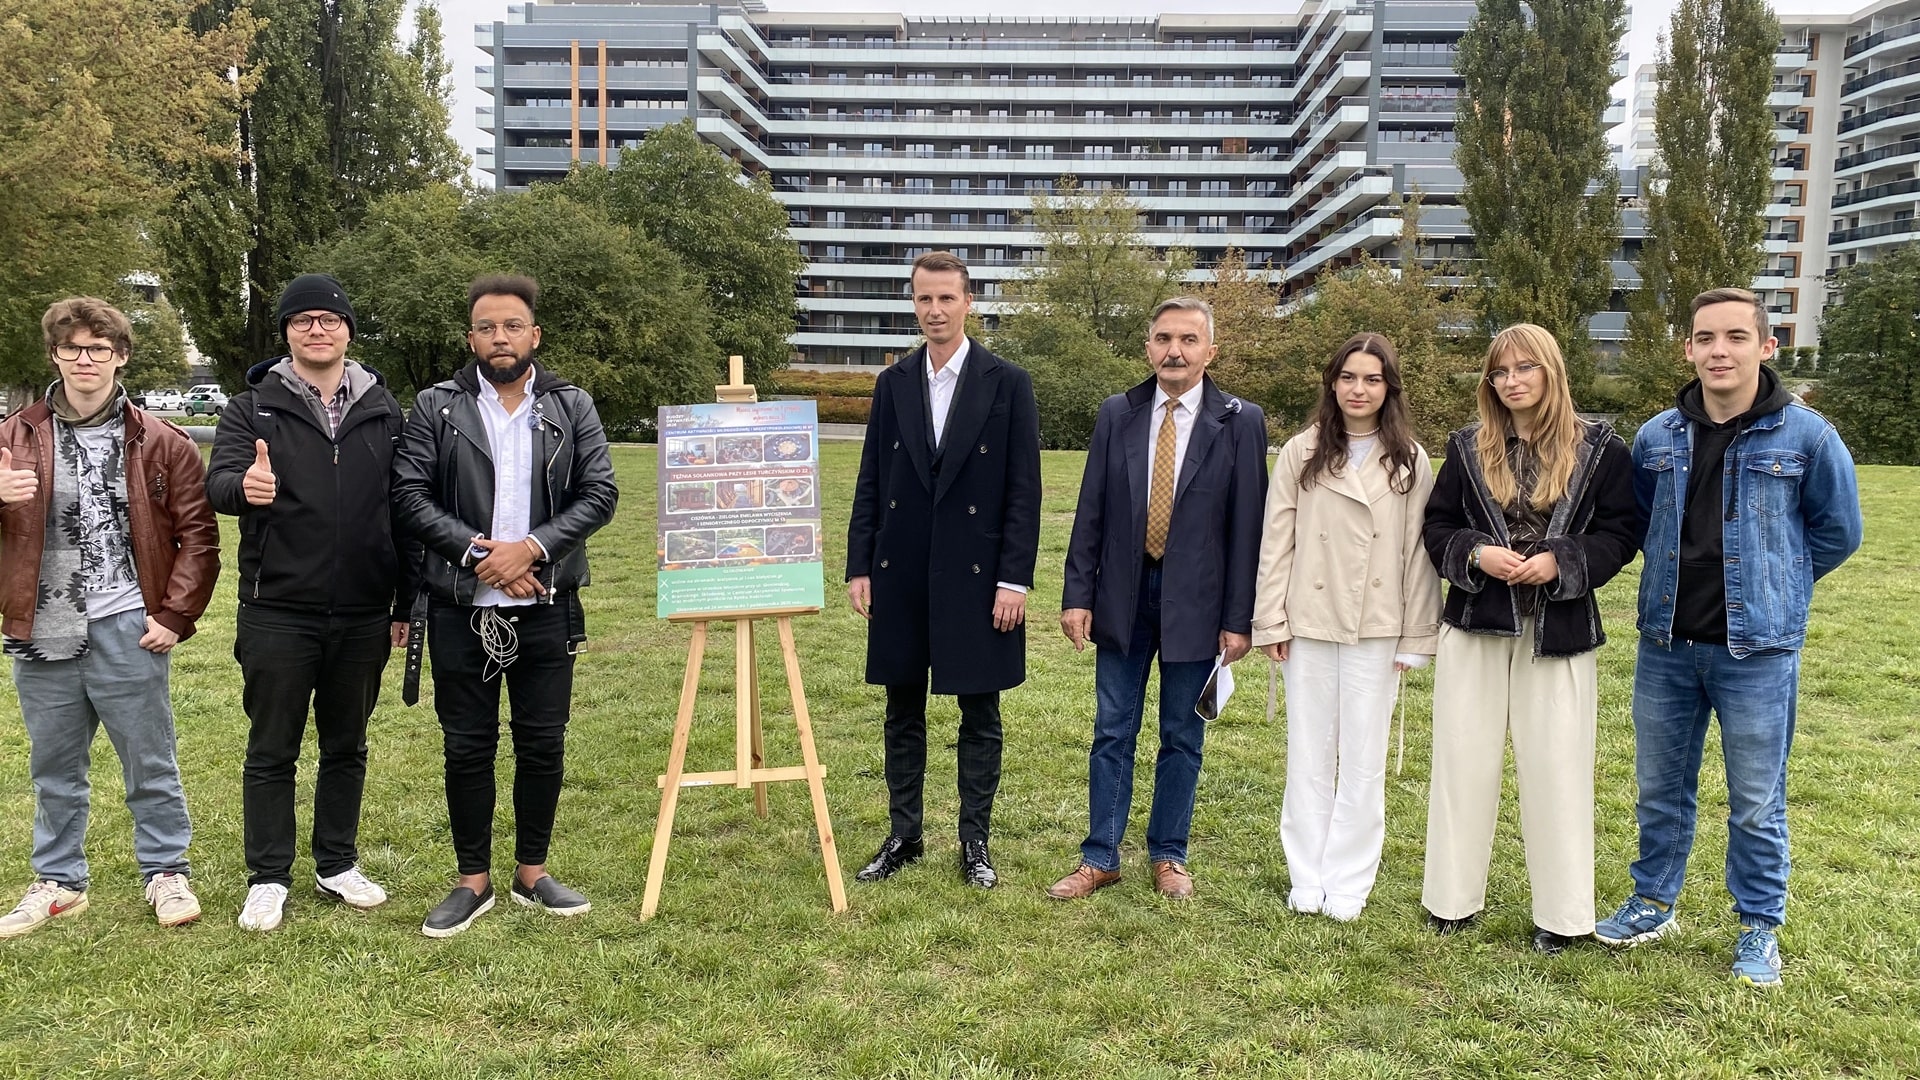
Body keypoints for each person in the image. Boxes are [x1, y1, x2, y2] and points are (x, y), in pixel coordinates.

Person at [1596, 288, 1861, 987]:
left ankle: (1759, 927)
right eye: (1706, 338)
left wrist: (1779, 585)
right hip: (1666, 646)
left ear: (1766, 347)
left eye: (1737, 337)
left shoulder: (1808, 438)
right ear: (1688, 348)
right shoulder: (1656, 438)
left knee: (1755, 800)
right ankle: (1653, 902)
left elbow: (1839, 532)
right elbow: (1643, 522)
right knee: (1659, 789)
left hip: (1758, 654)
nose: (1720, 351)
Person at [393, 273, 618, 938]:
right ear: (471, 338)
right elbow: (408, 495)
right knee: (467, 747)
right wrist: (480, 556)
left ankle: (531, 873)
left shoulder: (571, 406)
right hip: (460, 604)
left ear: (534, 335)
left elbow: (599, 493)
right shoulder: (437, 406)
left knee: (542, 743)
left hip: (547, 602)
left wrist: (532, 551)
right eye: (487, 327)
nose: (500, 337)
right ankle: (473, 881)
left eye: (512, 326)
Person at [0, 297, 219, 938]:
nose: (85, 360)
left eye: (98, 348)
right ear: (55, 355)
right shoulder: (12, 438)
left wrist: (175, 614)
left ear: (120, 356)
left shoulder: (163, 440)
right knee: (54, 767)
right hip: (44, 621)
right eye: (72, 348)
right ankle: (59, 881)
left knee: (150, 762)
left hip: (128, 621)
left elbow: (198, 536)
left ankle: (166, 871)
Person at [1419, 323, 1641, 954]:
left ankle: (1564, 916)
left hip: (1559, 630)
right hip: (1477, 621)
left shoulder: (1601, 450)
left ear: (1551, 370)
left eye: (1524, 368)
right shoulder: (1466, 448)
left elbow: (1622, 534)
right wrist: (1477, 554)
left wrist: (1560, 561)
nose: (1511, 381)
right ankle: (1451, 901)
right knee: (1462, 761)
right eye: (1500, 372)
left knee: (1558, 770)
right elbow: (1437, 526)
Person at [205, 273, 416, 932]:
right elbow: (219, 482)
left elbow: (405, 510)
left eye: (329, 319)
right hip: (278, 608)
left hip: (363, 610)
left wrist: (405, 602)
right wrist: (244, 487)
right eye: (303, 321)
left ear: (348, 330)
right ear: (287, 333)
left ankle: (337, 863)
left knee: (346, 745)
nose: (316, 329)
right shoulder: (251, 408)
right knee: (273, 749)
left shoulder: (385, 410)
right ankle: (268, 876)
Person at [1051, 297, 1268, 901]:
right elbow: (1091, 509)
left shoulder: (1240, 421)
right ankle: (1100, 857)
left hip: (1198, 604)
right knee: (1111, 730)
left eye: (1188, 340)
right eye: (1164, 338)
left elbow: (1247, 527)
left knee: (1182, 735)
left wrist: (1239, 619)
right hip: (1122, 595)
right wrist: (1077, 594)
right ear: (1147, 346)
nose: (1175, 351)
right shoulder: (1117, 413)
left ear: (1210, 351)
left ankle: (1169, 855)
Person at [845, 251, 1042, 889]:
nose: (935, 310)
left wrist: (1013, 580)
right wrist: (859, 565)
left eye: (946, 298)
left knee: (980, 712)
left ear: (968, 302)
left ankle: (974, 841)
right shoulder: (893, 382)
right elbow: (872, 479)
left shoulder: (1007, 382)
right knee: (901, 708)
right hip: (901, 568)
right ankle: (904, 835)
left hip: (978, 576)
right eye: (924, 299)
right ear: (914, 303)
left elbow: (1024, 491)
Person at [1252, 333, 1440, 922]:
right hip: (1308, 621)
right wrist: (1271, 620)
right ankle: (1306, 874)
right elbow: (1277, 541)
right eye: (1349, 377)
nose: (1359, 389)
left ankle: (1350, 879)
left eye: (1372, 379)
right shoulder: (1300, 451)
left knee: (1363, 759)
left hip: (1377, 626)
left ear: (1389, 388)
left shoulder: (1410, 458)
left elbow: (1418, 553)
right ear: (1333, 383)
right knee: (1308, 755)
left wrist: (1415, 636)